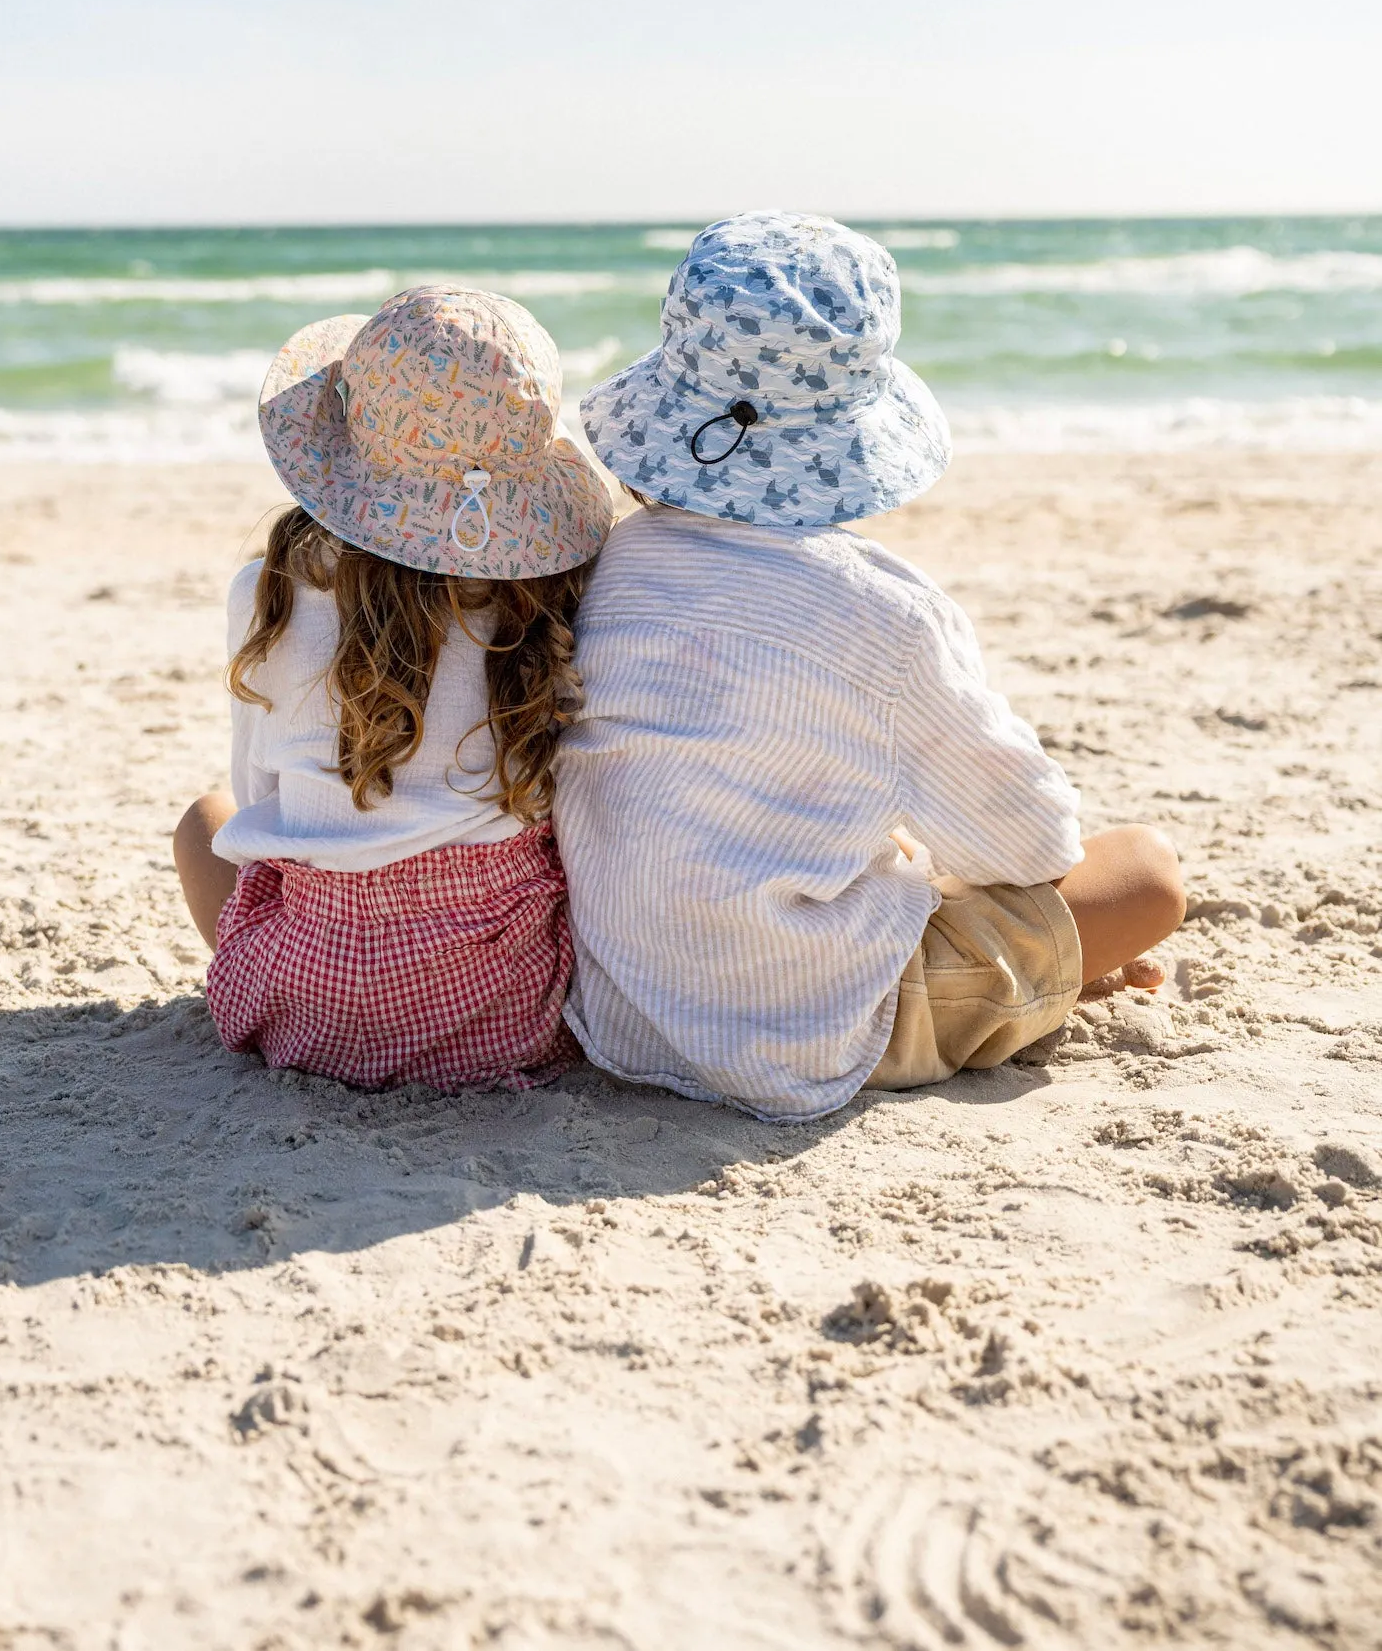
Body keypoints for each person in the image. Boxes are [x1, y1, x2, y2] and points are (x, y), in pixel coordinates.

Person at [553, 211, 1185, 1122]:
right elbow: (1030, 848)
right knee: (1145, 871)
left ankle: (1028, 969)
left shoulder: (603, 568)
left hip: (622, 1010)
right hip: (806, 1027)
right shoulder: (888, 616)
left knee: (883, 834)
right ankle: (1037, 988)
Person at [172, 284, 614, 1092]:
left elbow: (259, 791)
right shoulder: (549, 599)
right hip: (507, 1010)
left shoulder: (263, 594)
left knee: (205, 819)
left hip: (309, 1006)